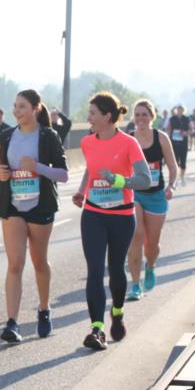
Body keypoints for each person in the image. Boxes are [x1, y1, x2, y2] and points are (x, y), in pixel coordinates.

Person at [72, 93, 152, 350]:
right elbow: (91, 168)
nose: (88, 118)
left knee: (116, 269)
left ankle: (117, 312)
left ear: (107, 116)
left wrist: (119, 181)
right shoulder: (87, 142)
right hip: (93, 213)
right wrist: (82, 191)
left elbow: (145, 179)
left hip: (121, 216)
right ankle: (97, 329)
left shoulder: (129, 143)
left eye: (92, 113)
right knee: (94, 271)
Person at [0, 90, 68, 343]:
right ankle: (12, 322)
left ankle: (44, 309)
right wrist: (0, 174)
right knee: (15, 263)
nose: (17, 111)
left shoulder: (48, 136)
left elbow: (63, 174)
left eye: (22, 106)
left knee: (39, 262)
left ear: (35, 108)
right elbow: (0, 169)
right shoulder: (6, 136)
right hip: (12, 205)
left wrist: (37, 167)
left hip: (40, 205)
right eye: (15, 106)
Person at [125, 100, 178, 300]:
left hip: (156, 195)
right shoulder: (129, 139)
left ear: (152, 117)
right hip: (135, 194)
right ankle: (135, 285)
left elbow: (172, 166)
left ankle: (151, 266)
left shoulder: (161, 137)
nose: (140, 119)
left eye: (144, 115)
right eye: (137, 114)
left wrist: (171, 186)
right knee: (136, 236)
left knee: (152, 244)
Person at [167, 105, 191, 186]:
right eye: (178, 109)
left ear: (183, 110)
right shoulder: (172, 118)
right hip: (174, 142)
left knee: (183, 161)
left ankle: (182, 177)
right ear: (176, 110)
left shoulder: (187, 118)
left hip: (183, 143)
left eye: (181, 109)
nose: (179, 110)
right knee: (175, 161)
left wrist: (186, 133)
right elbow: (169, 129)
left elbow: (191, 129)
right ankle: (176, 179)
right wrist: (168, 138)